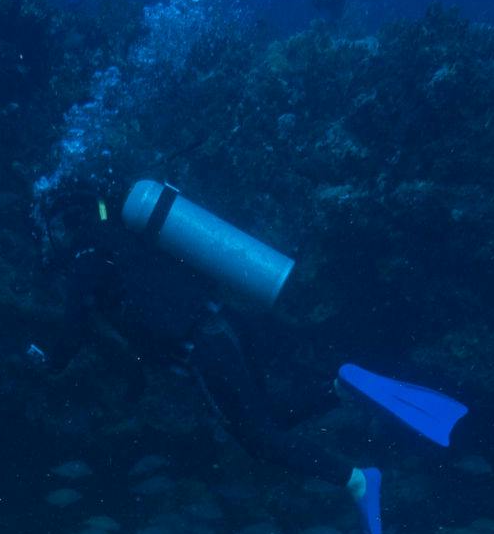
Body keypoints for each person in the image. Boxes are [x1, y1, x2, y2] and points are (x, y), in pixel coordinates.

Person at [49, 197, 359, 488]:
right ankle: (340, 389)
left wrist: (47, 362)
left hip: (203, 349)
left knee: (258, 440)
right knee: (267, 416)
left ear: (66, 226)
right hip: (227, 324)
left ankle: (355, 479)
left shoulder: (86, 259)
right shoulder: (130, 235)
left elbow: (70, 333)